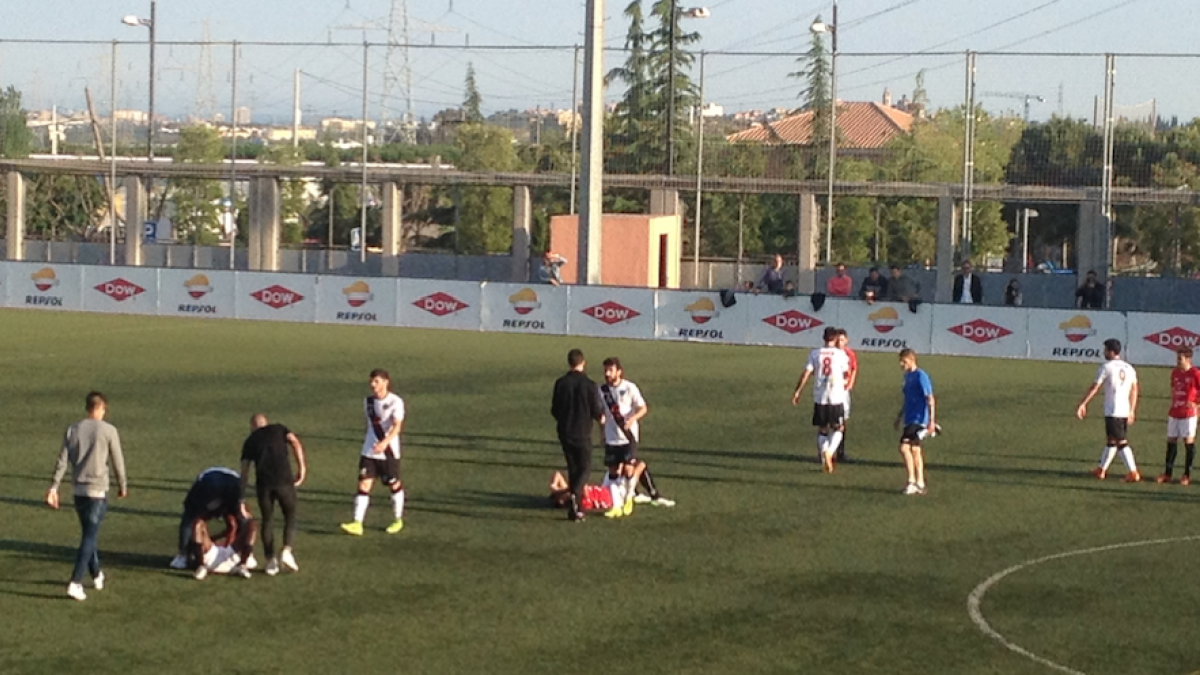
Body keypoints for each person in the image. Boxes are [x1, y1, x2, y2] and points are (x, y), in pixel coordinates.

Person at [45, 391, 127, 602]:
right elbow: (118, 460)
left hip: (78, 491)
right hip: (97, 491)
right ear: (99, 408)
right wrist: (122, 485)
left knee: (89, 535)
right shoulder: (109, 430)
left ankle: (97, 573)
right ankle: (75, 581)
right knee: (89, 536)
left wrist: (54, 487)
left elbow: (62, 461)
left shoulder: (73, 429)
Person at [599, 357, 674, 514]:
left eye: (610, 370)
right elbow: (602, 415)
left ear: (619, 371)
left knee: (628, 470)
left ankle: (629, 498)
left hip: (628, 437)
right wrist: (602, 433)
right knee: (613, 471)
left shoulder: (629, 387)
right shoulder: (602, 391)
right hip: (611, 438)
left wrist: (632, 418)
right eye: (605, 370)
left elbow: (643, 408)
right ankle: (620, 504)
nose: (607, 373)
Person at [341, 369, 407, 535]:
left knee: (393, 484)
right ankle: (357, 523)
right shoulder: (368, 402)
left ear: (386, 382)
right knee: (363, 484)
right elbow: (369, 425)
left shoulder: (396, 402)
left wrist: (384, 443)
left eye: (376, 381)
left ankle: (397, 519)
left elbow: (397, 426)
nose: (373, 385)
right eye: (371, 381)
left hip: (389, 452)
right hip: (369, 452)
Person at [241, 414, 307, 575]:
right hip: (284, 481)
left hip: (264, 486)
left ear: (252, 426)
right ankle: (287, 549)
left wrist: (241, 497)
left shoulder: (250, 440)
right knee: (290, 516)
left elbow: (244, 471)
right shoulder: (279, 429)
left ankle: (270, 560)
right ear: (266, 423)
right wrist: (302, 467)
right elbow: (295, 442)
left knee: (267, 520)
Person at [551, 349, 607, 521]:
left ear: (569, 363)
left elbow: (554, 410)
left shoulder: (560, 383)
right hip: (582, 431)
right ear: (583, 363)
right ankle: (575, 495)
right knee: (585, 467)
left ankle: (576, 506)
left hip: (564, 431)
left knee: (573, 466)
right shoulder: (590, 385)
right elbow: (597, 411)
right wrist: (602, 429)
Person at [1076, 338, 1140, 482]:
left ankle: (1133, 472)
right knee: (1112, 440)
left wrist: (1083, 403)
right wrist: (1132, 409)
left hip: (1113, 410)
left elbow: (1095, 387)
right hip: (1124, 409)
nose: (1103, 352)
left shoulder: (1107, 367)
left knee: (1121, 442)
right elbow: (1135, 389)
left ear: (1111, 351)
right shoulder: (1129, 368)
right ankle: (1101, 469)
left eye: (1105, 350)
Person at [791, 327, 852, 473]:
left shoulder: (815, 353)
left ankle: (824, 455)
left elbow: (806, 373)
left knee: (822, 428)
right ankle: (830, 452)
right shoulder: (841, 354)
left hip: (820, 396)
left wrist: (797, 392)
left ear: (823, 338)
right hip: (836, 396)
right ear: (836, 338)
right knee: (839, 428)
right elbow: (846, 373)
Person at [170, 467, 249, 570]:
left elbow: (189, 516)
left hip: (215, 483)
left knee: (190, 518)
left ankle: (182, 555)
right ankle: (243, 553)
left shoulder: (202, 491)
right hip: (229, 482)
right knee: (242, 519)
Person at [894, 349, 936, 495]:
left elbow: (930, 398)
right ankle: (920, 482)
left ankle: (911, 481)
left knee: (904, 448)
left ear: (912, 360)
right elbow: (907, 399)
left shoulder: (921, 376)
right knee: (915, 450)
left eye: (904, 361)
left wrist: (931, 420)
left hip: (918, 419)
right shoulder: (908, 377)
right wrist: (899, 416)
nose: (901, 364)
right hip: (909, 418)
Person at [1156, 348, 1200, 485]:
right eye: (1177, 358)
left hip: (1188, 414)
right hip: (1175, 411)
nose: (1177, 361)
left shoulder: (1195, 373)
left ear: (1188, 359)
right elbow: (1174, 389)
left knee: (1188, 442)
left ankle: (1186, 475)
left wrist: (1196, 405)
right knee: (1171, 441)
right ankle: (1167, 473)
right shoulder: (1175, 372)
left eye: (1180, 358)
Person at [548, 462, 646, 513]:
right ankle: (633, 493)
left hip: (605, 488)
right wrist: (565, 490)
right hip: (613, 497)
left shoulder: (572, 492)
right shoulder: (579, 501)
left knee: (618, 467)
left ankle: (635, 492)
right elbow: (583, 488)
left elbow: (558, 474)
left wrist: (553, 486)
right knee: (637, 468)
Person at [188, 515, 258, 581]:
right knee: (198, 523)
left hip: (234, 556)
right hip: (213, 555)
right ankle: (201, 566)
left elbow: (234, 527)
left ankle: (242, 565)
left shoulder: (240, 513)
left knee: (252, 524)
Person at [834, 329, 858, 463]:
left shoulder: (849, 353)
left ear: (846, 340)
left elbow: (854, 368)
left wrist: (850, 383)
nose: (839, 342)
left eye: (842, 340)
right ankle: (826, 450)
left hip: (843, 390)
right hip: (832, 390)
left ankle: (840, 452)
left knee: (843, 419)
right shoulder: (832, 353)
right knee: (829, 420)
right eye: (837, 340)